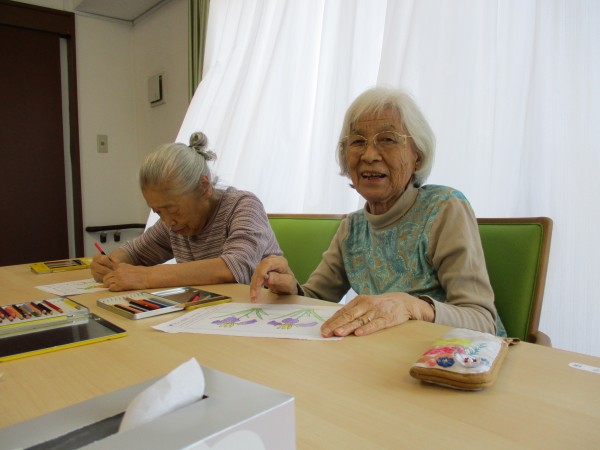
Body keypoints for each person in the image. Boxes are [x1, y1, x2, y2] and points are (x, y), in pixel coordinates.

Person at [250, 87, 506, 338]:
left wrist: (412, 306)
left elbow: (482, 321)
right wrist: (289, 288)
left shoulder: (444, 209)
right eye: (358, 142)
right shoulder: (353, 227)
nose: (369, 155)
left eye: (387, 139)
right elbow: (316, 298)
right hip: (385, 354)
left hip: (455, 357)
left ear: (417, 155)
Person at [91, 132, 282, 291]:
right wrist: (109, 265)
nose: (168, 222)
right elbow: (135, 253)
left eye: (173, 210)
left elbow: (236, 267)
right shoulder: (174, 224)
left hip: (264, 314)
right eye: (158, 212)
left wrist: (147, 276)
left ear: (204, 187)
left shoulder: (243, 206)